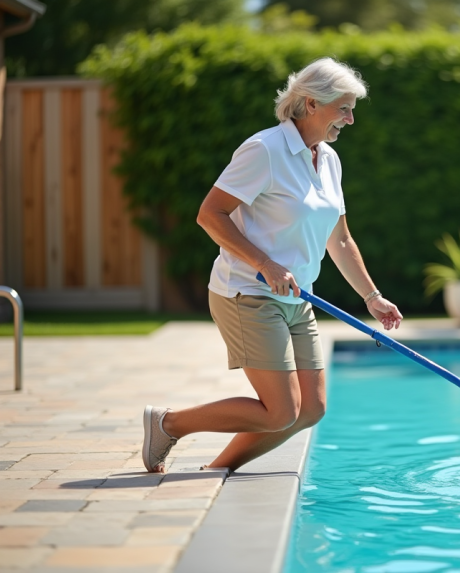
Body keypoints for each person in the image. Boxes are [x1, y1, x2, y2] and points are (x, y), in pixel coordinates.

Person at [141, 58, 402, 473]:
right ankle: (168, 423)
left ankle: (216, 470)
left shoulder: (329, 160)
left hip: (299, 298)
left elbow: (341, 238)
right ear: (312, 103)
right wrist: (264, 263)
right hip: (247, 292)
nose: (351, 120)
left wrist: (371, 296)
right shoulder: (264, 150)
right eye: (344, 109)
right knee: (281, 411)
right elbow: (210, 214)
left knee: (310, 410)